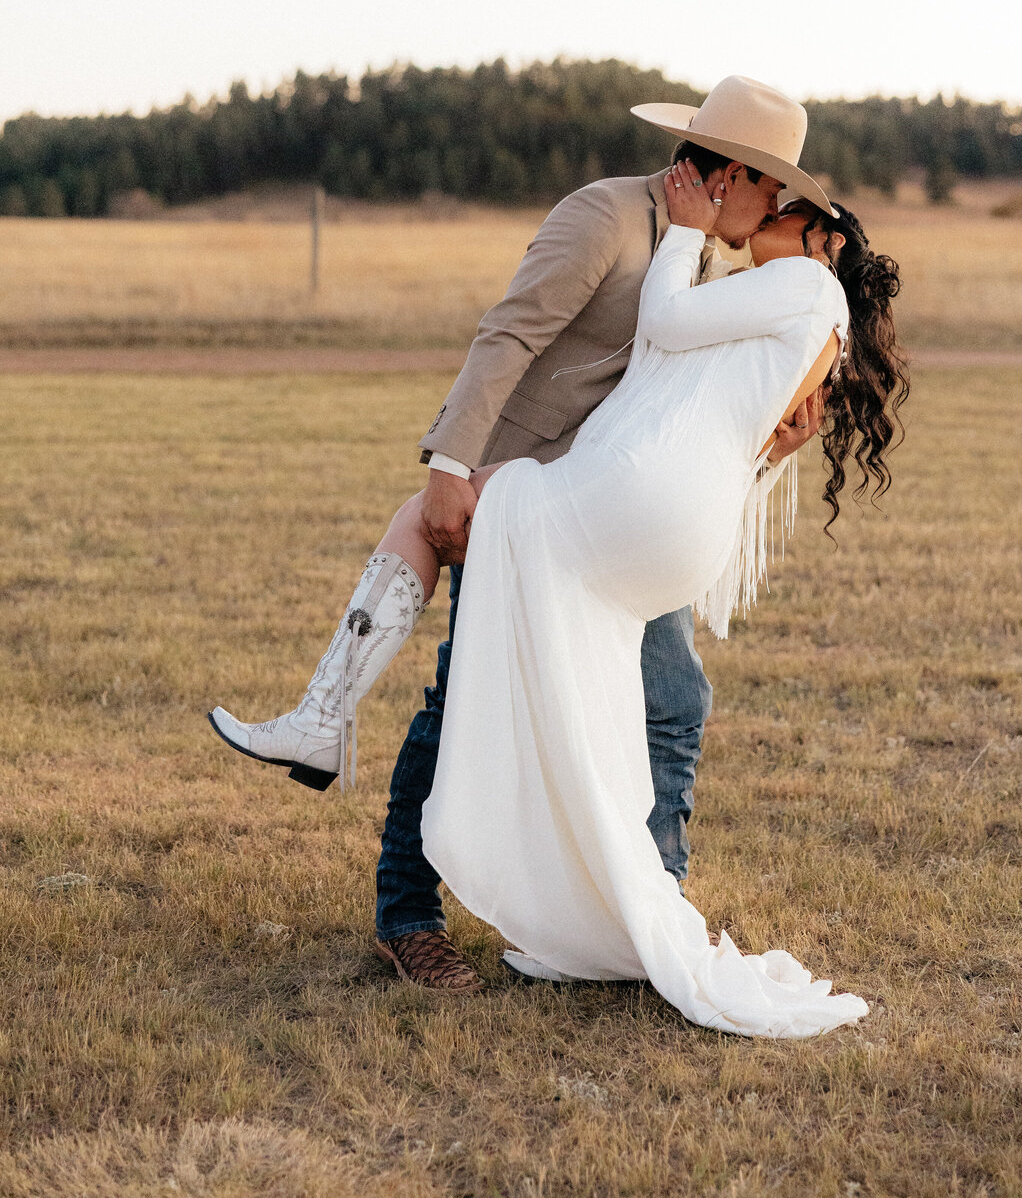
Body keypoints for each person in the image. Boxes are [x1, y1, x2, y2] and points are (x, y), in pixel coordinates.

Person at [212, 162, 906, 1037]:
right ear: (732, 175)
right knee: (478, 682)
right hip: (563, 484)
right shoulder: (609, 218)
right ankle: (411, 913)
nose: (771, 209)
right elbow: (509, 335)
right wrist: (450, 465)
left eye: (786, 205)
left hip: (607, 505)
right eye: (772, 194)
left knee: (667, 700)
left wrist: (779, 431)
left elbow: (711, 397)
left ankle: (640, 906)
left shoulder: (733, 265)